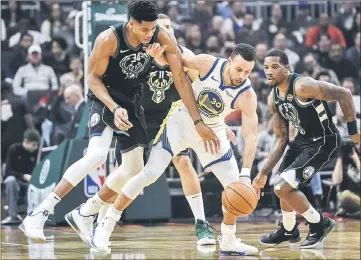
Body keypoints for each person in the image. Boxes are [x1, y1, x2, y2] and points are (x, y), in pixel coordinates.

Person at [20, 1, 219, 242]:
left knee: (134, 167)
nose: (149, 34)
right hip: (105, 97)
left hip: (132, 101)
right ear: (131, 23)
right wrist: (113, 107)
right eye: (144, 30)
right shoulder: (108, 39)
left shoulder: (163, 37)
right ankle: (39, 214)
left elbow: (180, 78)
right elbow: (92, 78)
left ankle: (86, 212)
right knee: (95, 156)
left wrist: (198, 120)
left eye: (152, 29)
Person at [90, 43, 259, 256]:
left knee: (234, 186)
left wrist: (246, 174)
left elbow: (250, 135)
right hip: (180, 123)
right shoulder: (208, 63)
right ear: (230, 61)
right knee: (149, 173)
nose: (242, 75)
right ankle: (106, 226)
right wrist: (159, 56)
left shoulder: (247, 95)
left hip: (211, 133)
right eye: (239, 69)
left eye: (247, 72)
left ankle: (228, 240)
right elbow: (176, 63)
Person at [71, 13, 221, 246]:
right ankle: (101, 224)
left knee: (183, 162)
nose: (166, 33)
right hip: (138, 116)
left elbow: (200, 85)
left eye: (170, 28)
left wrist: (211, 121)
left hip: (169, 118)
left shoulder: (182, 55)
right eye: (163, 29)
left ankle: (201, 223)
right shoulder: (138, 54)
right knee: (125, 171)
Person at [252, 49, 360, 249]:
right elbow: (282, 139)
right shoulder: (273, 98)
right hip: (302, 141)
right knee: (279, 185)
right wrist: (263, 172)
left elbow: (344, 94)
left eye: (275, 67)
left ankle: (320, 223)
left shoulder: (302, 86)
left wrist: (353, 132)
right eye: (266, 67)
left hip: (324, 141)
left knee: (282, 187)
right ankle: (288, 229)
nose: (269, 71)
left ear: (287, 68)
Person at [1, 129, 40, 225]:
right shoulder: (13, 149)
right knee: (10, 180)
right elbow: (8, 172)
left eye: (37, 145)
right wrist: (23, 176)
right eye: (33, 145)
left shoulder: (37, 153)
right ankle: (12, 216)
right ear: (26, 141)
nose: (35, 148)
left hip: (30, 183)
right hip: (16, 183)